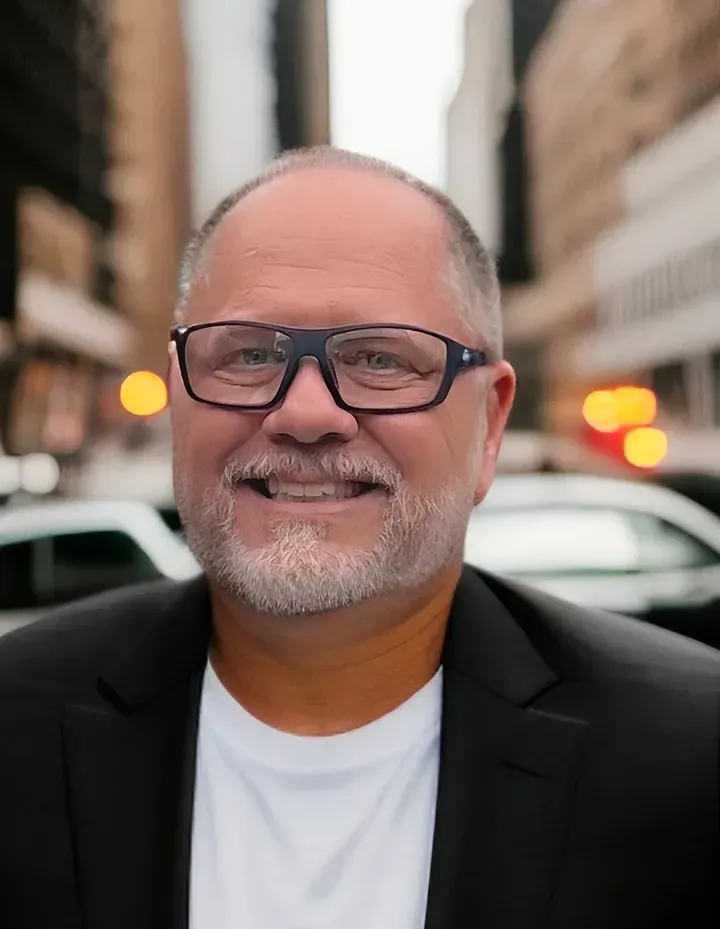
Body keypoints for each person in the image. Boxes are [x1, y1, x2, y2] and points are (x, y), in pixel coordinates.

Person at [1, 147, 718, 929]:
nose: (307, 414)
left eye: (380, 358)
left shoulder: (691, 759)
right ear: (177, 396)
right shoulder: (15, 726)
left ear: (490, 424)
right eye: (246, 354)